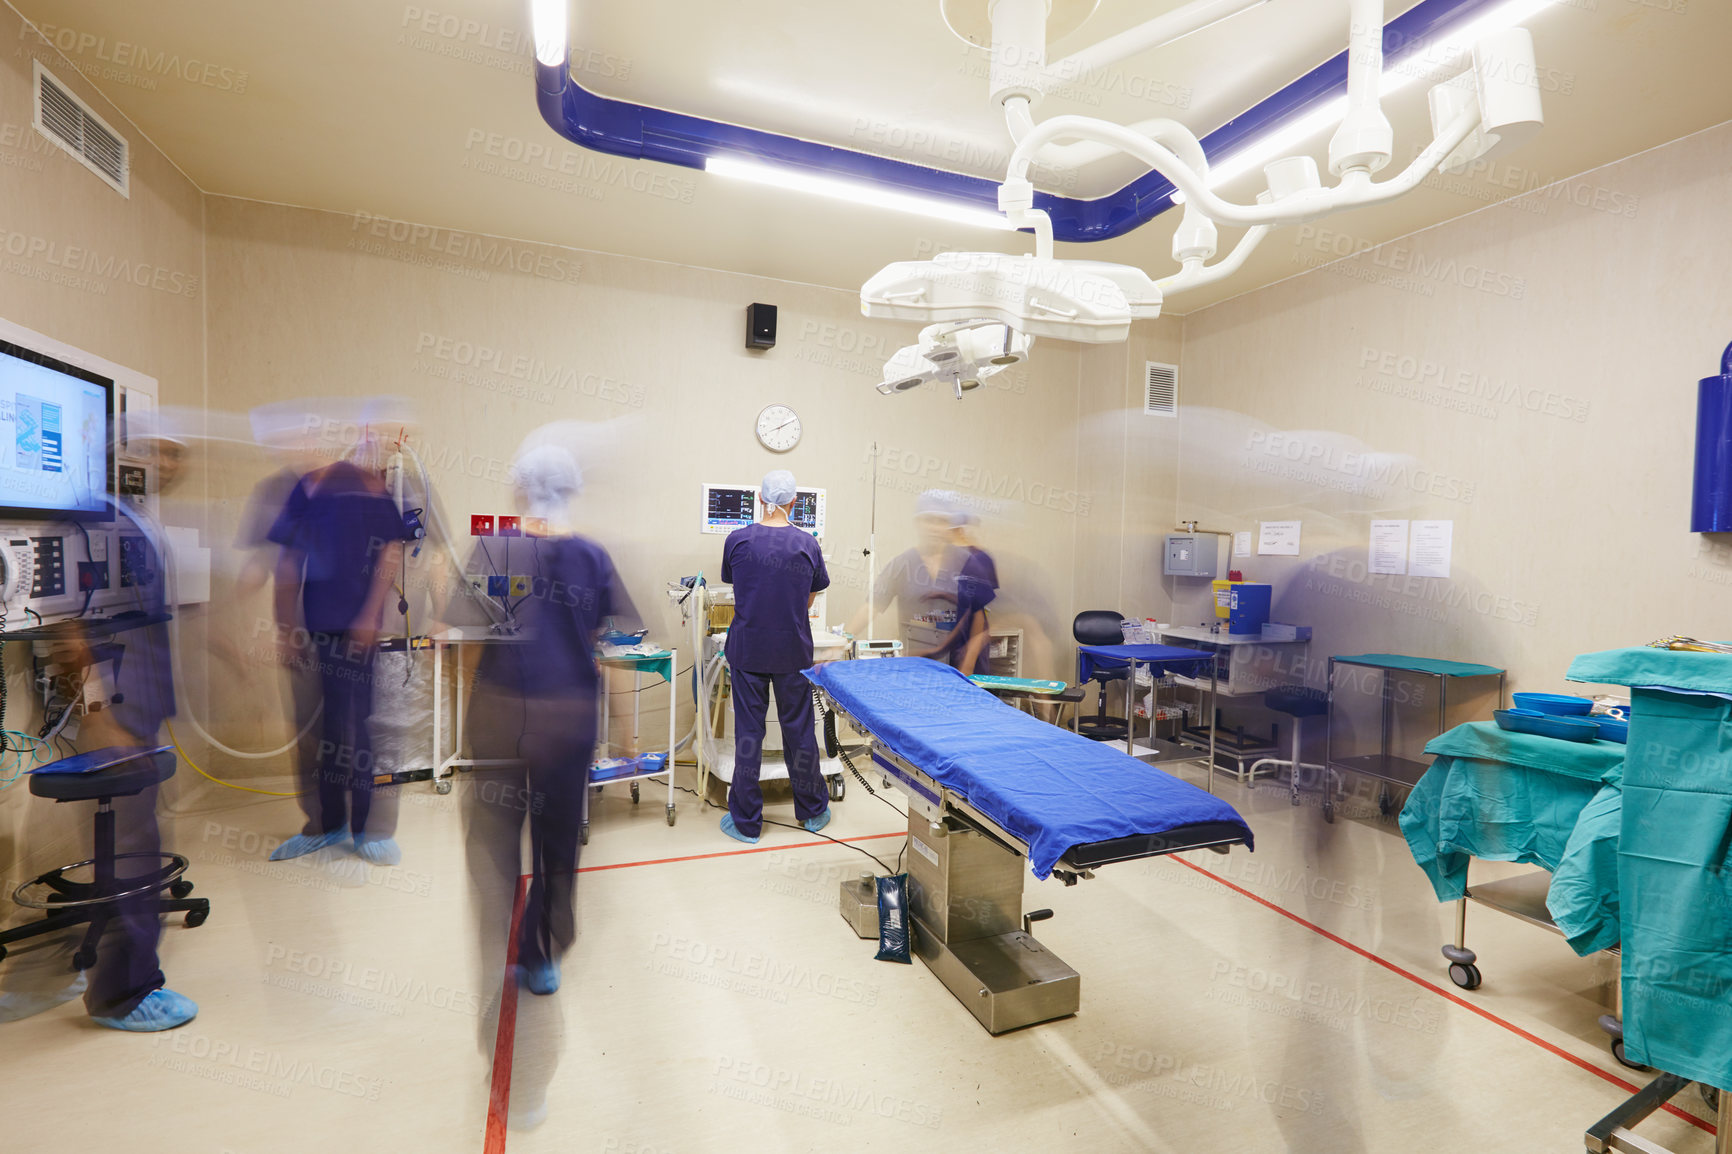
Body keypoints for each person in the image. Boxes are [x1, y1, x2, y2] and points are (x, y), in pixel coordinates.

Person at [457, 442, 637, 1129]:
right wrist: (628, 732)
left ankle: (503, 957)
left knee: (494, 854)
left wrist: (475, 716)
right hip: (566, 727)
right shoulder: (591, 557)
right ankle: (542, 953)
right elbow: (611, 648)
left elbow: (468, 642)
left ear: (520, 489)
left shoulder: (494, 552)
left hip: (499, 727)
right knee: (558, 848)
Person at [68, 434, 195, 1030]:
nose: (169, 464)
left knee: (137, 838)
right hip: (119, 708)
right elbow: (72, 620)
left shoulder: (135, 523)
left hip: (141, 706)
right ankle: (123, 993)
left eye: (176, 455)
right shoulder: (94, 519)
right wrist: (99, 712)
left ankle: (128, 979)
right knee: (132, 846)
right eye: (158, 452)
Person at [265, 440, 413, 864]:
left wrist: (370, 614)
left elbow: (390, 549)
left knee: (359, 725)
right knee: (321, 730)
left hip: (358, 629)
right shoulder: (308, 489)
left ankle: (368, 831)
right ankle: (326, 827)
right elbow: (289, 559)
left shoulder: (368, 488)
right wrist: (284, 627)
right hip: (317, 626)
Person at [719, 469, 831, 844]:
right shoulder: (807, 544)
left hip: (748, 650)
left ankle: (747, 822)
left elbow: (741, 588)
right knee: (799, 732)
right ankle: (812, 811)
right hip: (791, 651)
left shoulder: (737, 541)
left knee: (749, 735)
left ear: (761, 499)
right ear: (794, 502)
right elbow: (809, 597)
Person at [845, 489, 967, 646]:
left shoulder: (967, 563)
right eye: (929, 520)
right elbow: (872, 607)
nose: (935, 528)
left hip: (958, 663)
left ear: (950, 525)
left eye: (942, 521)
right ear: (917, 523)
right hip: (915, 660)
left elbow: (980, 619)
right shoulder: (901, 565)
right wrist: (842, 641)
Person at [911, 503, 999, 675]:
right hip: (944, 639)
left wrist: (969, 661)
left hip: (968, 642)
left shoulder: (978, 558)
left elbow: (980, 609)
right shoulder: (942, 558)